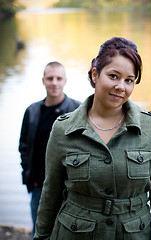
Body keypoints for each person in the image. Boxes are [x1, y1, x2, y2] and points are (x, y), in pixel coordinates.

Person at [33, 38, 151, 240]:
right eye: (113, 76)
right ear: (95, 74)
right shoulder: (63, 128)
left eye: (129, 80)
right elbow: (50, 196)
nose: (121, 86)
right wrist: (41, 237)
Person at [18, 61, 81, 237]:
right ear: (43, 81)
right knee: (39, 232)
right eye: (50, 78)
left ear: (65, 81)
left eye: (58, 78)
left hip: (69, 187)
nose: (54, 82)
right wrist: (30, 177)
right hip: (39, 185)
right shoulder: (32, 111)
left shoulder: (78, 110)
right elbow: (24, 147)